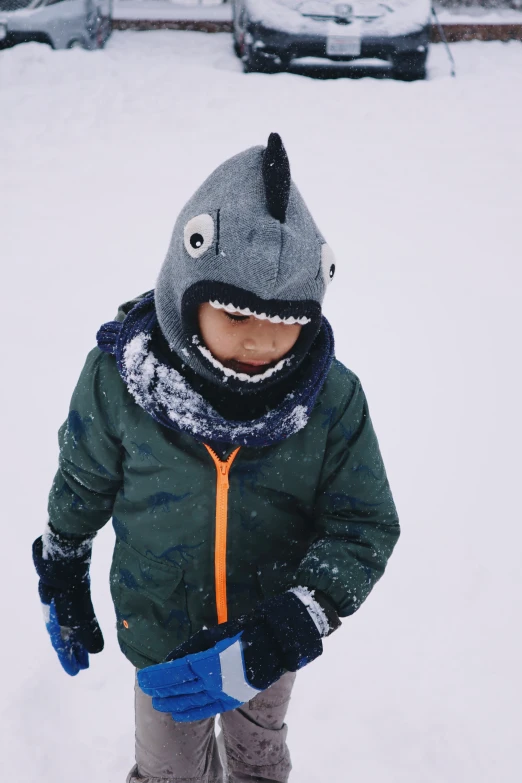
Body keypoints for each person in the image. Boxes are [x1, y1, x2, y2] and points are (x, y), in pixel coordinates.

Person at [32, 133, 400, 783]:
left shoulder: (331, 400)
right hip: (161, 633)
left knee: (259, 751)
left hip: (266, 637)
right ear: (187, 290)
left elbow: (363, 524)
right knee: (170, 766)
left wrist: (288, 626)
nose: (262, 339)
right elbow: (83, 478)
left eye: (286, 319)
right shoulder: (122, 379)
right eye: (235, 313)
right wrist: (63, 561)